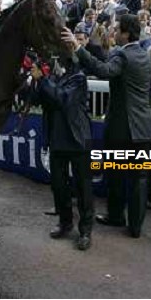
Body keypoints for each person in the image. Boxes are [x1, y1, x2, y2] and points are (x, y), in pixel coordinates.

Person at [61, 14, 151, 238]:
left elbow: (102, 70)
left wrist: (77, 47)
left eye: (116, 29)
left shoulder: (122, 54)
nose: (112, 33)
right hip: (143, 126)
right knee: (139, 178)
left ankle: (116, 216)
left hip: (122, 127)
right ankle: (135, 227)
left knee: (115, 173)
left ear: (126, 33)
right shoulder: (144, 54)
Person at [30, 56, 94, 251]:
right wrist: (34, 79)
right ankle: (65, 223)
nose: (54, 61)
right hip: (57, 139)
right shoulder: (53, 77)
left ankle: (85, 230)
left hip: (77, 139)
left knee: (83, 187)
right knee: (58, 185)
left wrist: (42, 79)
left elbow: (63, 99)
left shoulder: (78, 77)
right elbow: (35, 99)